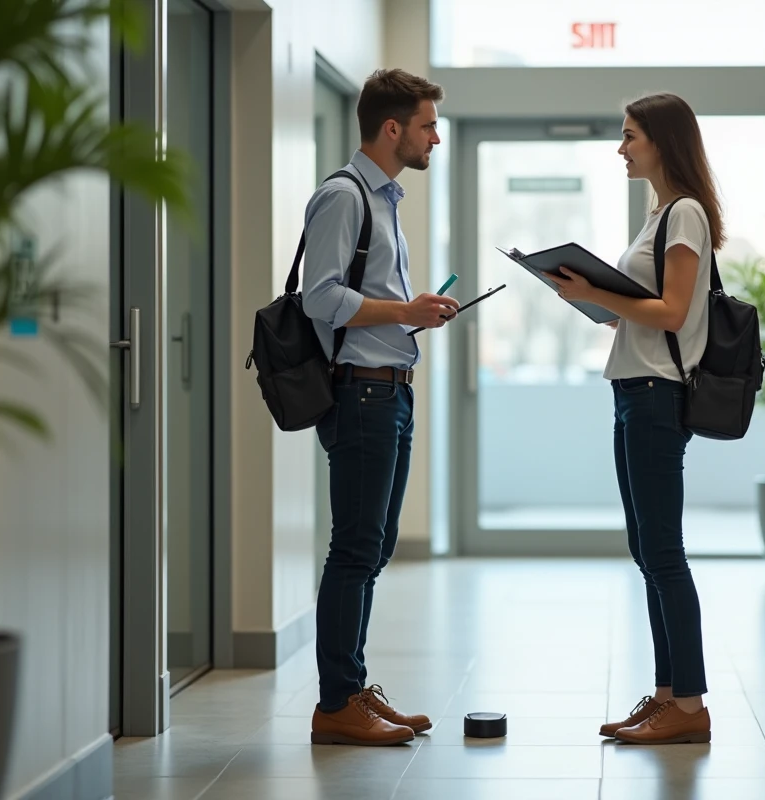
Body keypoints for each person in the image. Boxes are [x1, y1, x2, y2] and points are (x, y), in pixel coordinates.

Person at [544, 93, 723, 745]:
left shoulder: (686, 214)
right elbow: (645, 311)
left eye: (630, 136)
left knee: (663, 551)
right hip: (632, 389)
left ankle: (690, 706)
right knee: (648, 549)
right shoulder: (659, 217)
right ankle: (669, 696)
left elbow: (673, 311)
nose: (621, 148)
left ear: (662, 141)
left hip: (656, 394)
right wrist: (596, 301)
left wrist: (596, 291)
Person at [301, 68, 455, 746]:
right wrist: (404, 311)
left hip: (390, 389)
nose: (435, 138)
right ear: (392, 128)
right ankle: (337, 703)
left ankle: (353, 687)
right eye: (427, 126)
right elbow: (321, 297)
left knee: (375, 544)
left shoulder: (383, 199)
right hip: (361, 393)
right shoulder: (344, 196)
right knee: (355, 547)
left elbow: (365, 300)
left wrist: (412, 316)